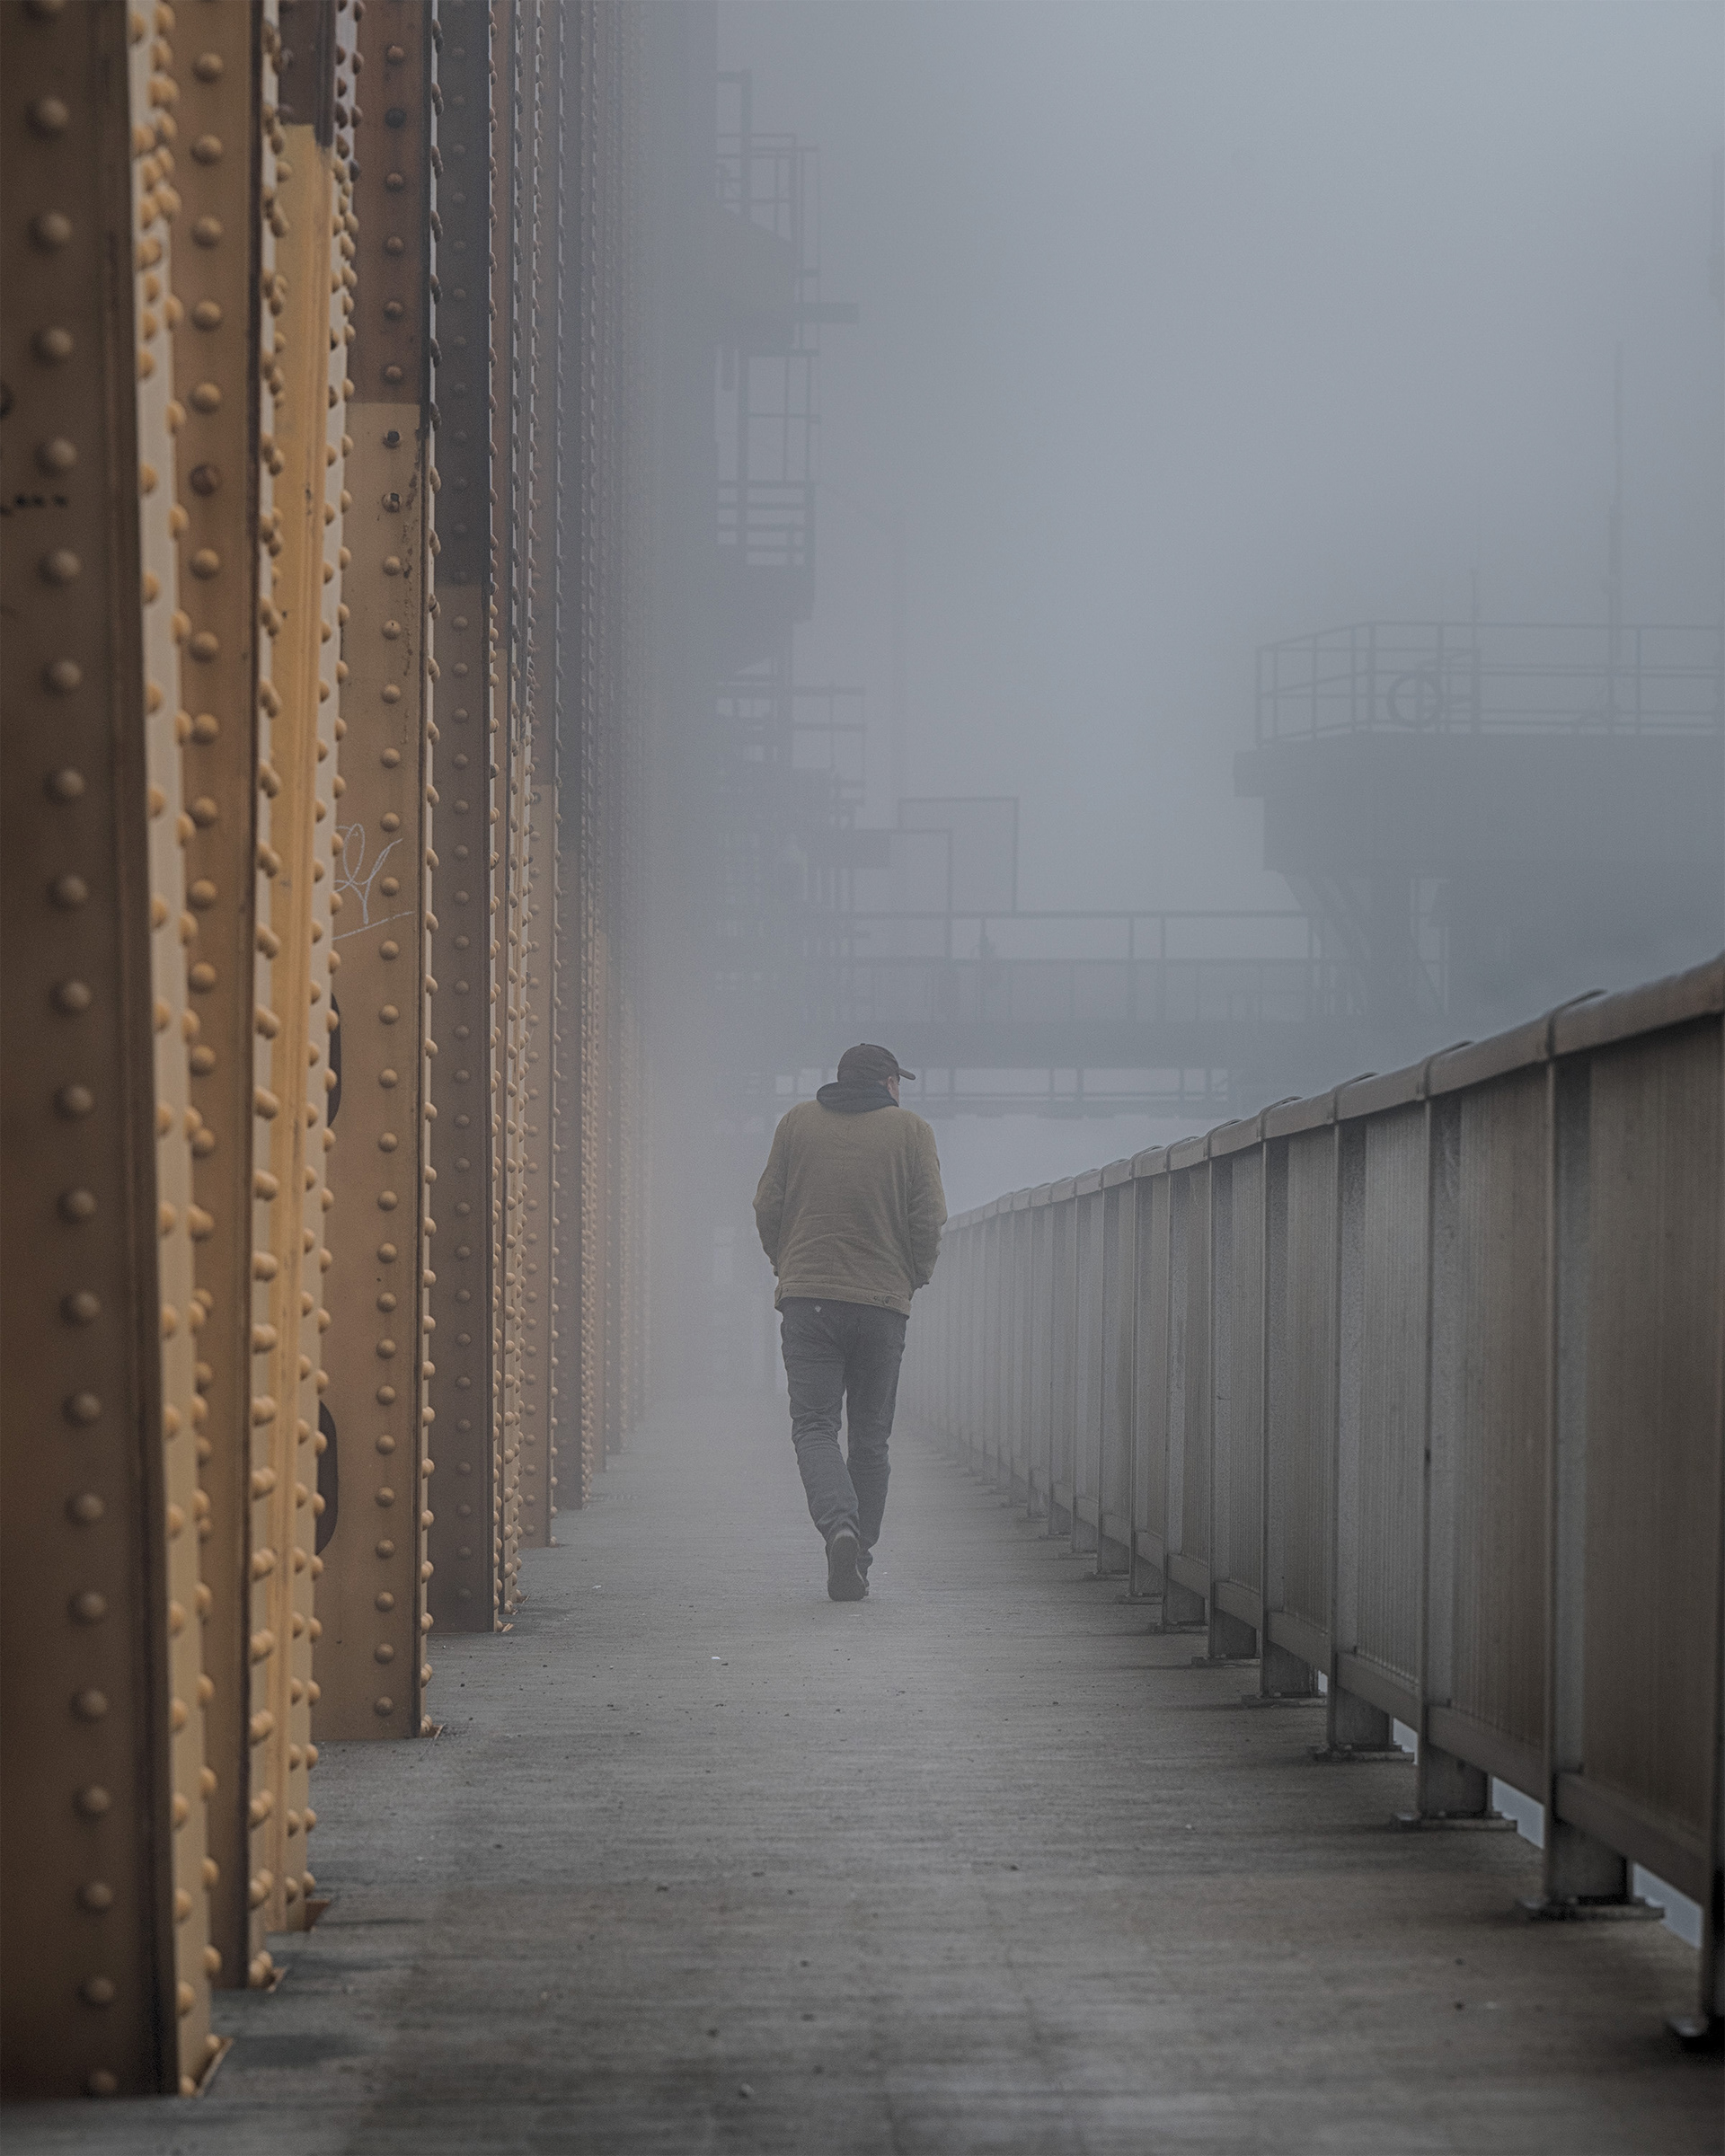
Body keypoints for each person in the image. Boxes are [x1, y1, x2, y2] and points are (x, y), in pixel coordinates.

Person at [753, 1043, 947, 1601]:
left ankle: (839, 1526)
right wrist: (912, 1276)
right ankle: (858, 1556)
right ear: (888, 1082)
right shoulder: (912, 1132)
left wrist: (786, 1264)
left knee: (815, 1427)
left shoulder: (796, 1123)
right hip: (882, 1304)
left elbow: (768, 1206)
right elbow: (928, 1216)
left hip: (808, 1299)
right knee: (871, 1439)